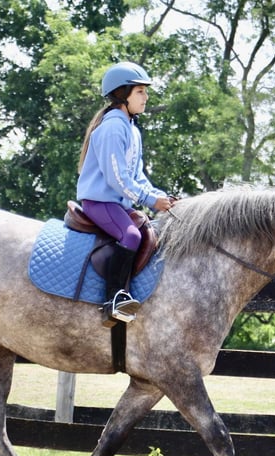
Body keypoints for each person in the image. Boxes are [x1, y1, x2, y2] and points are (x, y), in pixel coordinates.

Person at [76, 61, 173, 327]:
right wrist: (151, 200)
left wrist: (162, 197)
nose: (146, 97)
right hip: (100, 202)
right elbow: (117, 179)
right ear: (122, 94)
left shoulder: (132, 130)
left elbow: (137, 177)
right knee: (129, 235)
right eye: (140, 91)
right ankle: (114, 299)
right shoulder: (113, 127)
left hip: (118, 203)